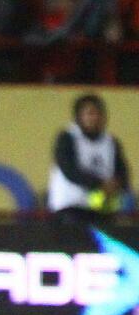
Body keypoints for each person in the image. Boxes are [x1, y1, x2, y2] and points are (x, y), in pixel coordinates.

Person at [47, 93, 132, 225]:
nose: (94, 118)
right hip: (70, 207)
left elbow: (122, 171)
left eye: (98, 113)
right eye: (89, 114)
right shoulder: (67, 138)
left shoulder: (111, 142)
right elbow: (69, 170)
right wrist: (100, 184)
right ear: (79, 116)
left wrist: (118, 185)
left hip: (102, 208)